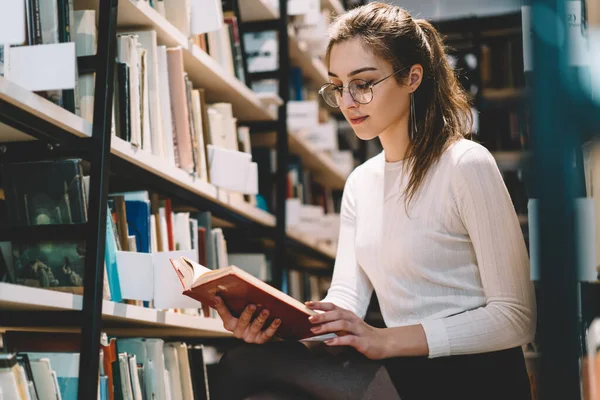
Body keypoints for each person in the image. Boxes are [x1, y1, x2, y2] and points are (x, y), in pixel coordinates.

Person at [211, 3, 536, 399]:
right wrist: (280, 328)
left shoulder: (465, 164)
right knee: (258, 381)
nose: (348, 101)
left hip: (473, 375)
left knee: (241, 368)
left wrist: (386, 340)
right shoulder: (361, 183)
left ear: (412, 77)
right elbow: (346, 300)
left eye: (363, 83)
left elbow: (516, 317)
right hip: (403, 371)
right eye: (337, 86)